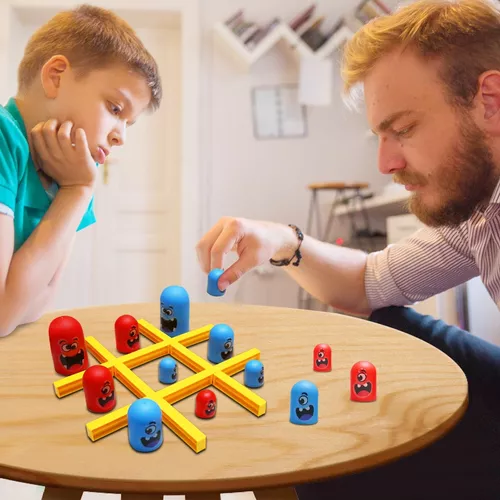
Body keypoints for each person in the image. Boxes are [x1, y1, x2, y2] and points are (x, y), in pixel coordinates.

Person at [196, 0, 500, 497]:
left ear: (490, 101)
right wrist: (285, 242)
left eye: (402, 130)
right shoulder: (479, 212)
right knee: (385, 324)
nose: (385, 162)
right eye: (380, 135)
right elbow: (367, 284)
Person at [0, 5, 161, 338]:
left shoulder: (74, 174)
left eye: (129, 123)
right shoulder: (5, 141)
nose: (121, 137)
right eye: (116, 109)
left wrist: (77, 190)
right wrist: (76, 191)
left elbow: (35, 305)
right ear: (56, 76)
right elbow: (4, 315)